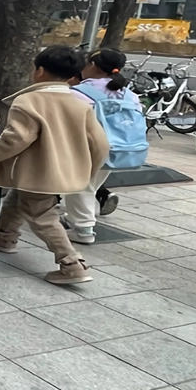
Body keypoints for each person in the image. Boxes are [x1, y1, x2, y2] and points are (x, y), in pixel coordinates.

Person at [0, 46, 108, 285]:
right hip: (61, 173)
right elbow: (100, 144)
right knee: (17, 199)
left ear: (39, 71)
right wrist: (86, 171)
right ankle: (4, 237)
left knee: (43, 217)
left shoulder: (29, 101)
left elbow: (15, 140)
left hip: (38, 173)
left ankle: (72, 264)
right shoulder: (80, 103)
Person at [63, 49, 132, 244]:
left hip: (89, 147)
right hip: (120, 148)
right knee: (91, 185)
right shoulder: (127, 93)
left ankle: (84, 230)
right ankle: (84, 215)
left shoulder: (81, 92)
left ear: (92, 65)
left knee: (80, 185)